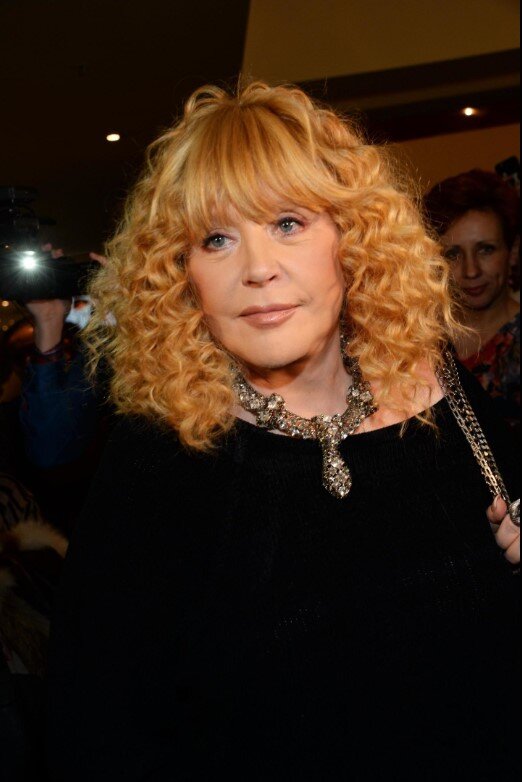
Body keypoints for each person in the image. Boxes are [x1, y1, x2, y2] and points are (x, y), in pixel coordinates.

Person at [47, 83, 520, 781]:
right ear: (181, 274)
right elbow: (96, 724)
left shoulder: (438, 386)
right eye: (216, 239)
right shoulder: (158, 455)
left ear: (351, 237)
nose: (258, 268)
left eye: (289, 223)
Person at [425, 170, 520, 428]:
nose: (471, 271)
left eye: (485, 250)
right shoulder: (417, 341)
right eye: (453, 254)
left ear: (512, 252)